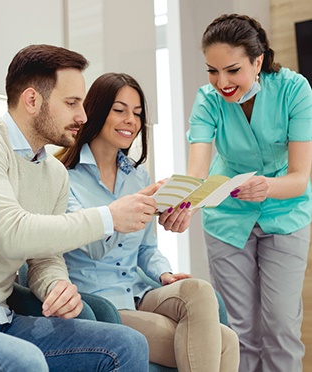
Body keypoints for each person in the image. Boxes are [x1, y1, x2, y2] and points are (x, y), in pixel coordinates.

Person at [0, 44, 159, 371]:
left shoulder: (54, 173)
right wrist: (110, 217)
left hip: (1, 316)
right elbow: (13, 234)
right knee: (26, 361)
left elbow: (44, 256)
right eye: (72, 103)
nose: (83, 116)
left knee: (127, 343)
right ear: (32, 100)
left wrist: (55, 285)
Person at [56, 72, 240, 372]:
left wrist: (164, 273)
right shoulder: (63, 176)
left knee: (200, 291)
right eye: (120, 110)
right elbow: (92, 248)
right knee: (225, 342)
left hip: (140, 291)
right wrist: (126, 209)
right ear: (97, 111)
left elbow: (146, 249)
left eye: (137, 113)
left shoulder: (137, 176)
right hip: (101, 303)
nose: (131, 119)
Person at [186, 13, 312, 372]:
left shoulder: (294, 90)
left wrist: (267, 187)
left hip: (285, 212)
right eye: (212, 71)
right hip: (226, 216)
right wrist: (184, 204)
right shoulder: (207, 100)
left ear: (258, 61)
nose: (221, 82)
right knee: (239, 331)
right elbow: (197, 171)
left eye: (232, 70)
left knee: (282, 328)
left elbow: (300, 177)